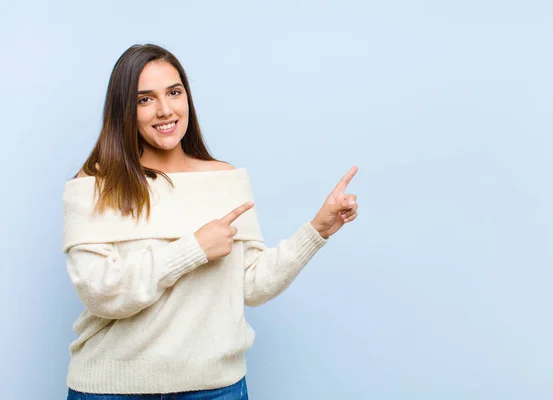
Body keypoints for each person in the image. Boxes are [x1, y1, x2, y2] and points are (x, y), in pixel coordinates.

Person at [62, 43, 359, 400]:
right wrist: (194, 249)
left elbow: (251, 286)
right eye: (145, 99)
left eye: (174, 92)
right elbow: (101, 294)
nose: (165, 110)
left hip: (215, 388)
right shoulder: (94, 184)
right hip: (111, 391)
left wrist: (317, 230)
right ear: (124, 110)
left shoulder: (226, 180)